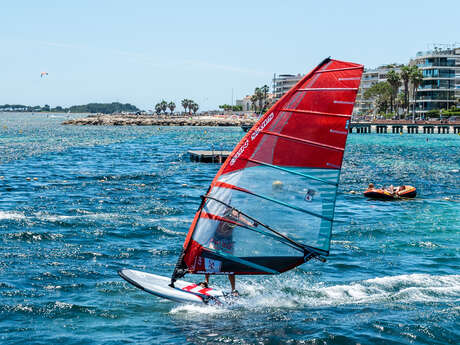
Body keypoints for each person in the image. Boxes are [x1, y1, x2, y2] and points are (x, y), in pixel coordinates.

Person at [199, 207, 253, 296]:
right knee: (210, 257)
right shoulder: (215, 209)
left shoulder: (233, 212)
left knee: (230, 264)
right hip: (215, 239)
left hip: (227, 241)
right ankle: (206, 281)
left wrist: (249, 224)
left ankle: (233, 289)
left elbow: (242, 219)